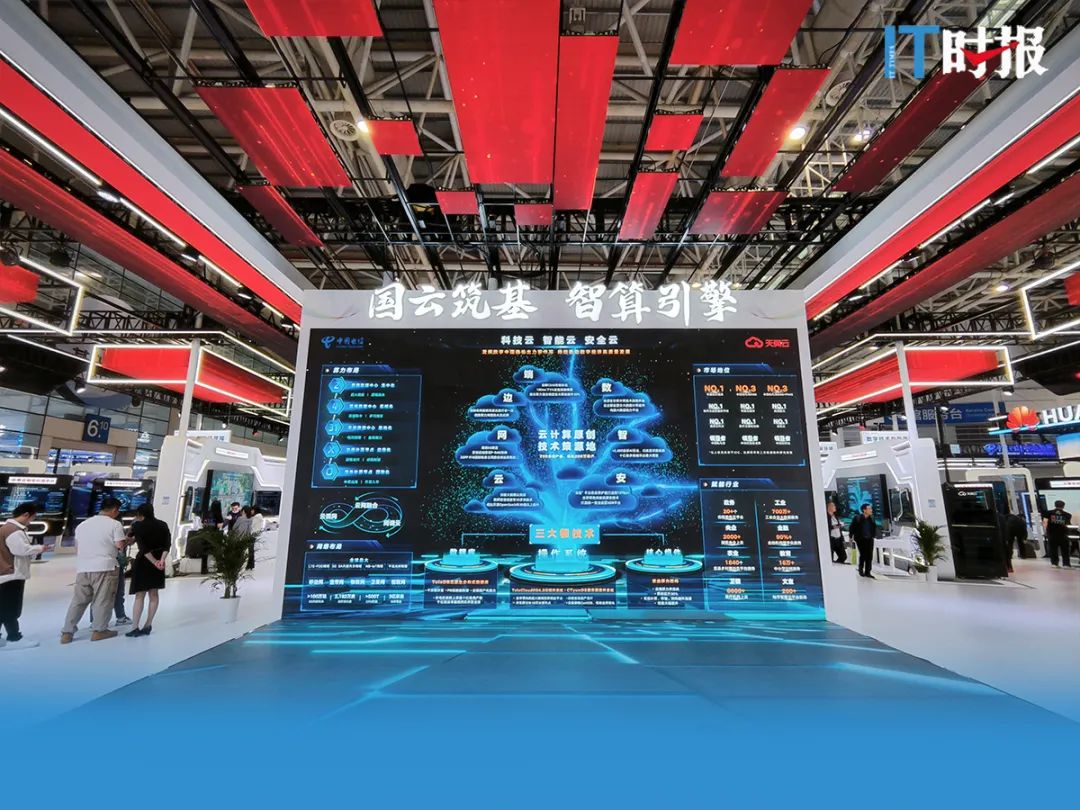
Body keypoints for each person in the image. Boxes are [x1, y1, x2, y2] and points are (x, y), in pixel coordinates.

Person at [62, 497, 127, 643]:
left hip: (83, 567)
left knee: (78, 601)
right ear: (115, 510)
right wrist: (126, 540)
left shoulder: (83, 525)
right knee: (103, 600)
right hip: (105, 567)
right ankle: (99, 630)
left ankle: (67, 632)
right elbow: (119, 545)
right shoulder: (115, 524)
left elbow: (77, 548)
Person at [0, 502, 49, 650]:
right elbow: (20, 550)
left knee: (3, 607)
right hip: (12, 574)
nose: (31, 521)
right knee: (11, 609)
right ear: (26, 515)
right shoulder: (14, 531)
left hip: (5, 573)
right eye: (32, 518)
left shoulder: (6, 528)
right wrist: (40, 548)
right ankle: (14, 638)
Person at [126, 503, 171, 638]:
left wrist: (154, 562)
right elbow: (167, 544)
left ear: (140, 514)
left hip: (144, 561)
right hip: (159, 561)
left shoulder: (137, 526)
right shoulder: (163, 524)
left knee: (140, 595)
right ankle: (148, 624)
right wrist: (161, 560)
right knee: (154, 594)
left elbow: (141, 547)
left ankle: (135, 627)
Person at [849, 503, 878, 579]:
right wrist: (851, 536)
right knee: (863, 555)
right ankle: (861, 570)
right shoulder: (857, 518)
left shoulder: (872, 518)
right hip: (860, 539)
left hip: (870, 539)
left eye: (871, 508)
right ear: (864, 510)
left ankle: (868, 572)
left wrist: (874, 535)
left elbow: (874, 527)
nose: (871, 510)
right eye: (869, 509)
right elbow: (852, 527)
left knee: (870, 555)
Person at [1042, 500, 1072, 568]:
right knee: (1065, 550)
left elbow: (1045, 523)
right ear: (1063, 506)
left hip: (1052, 535)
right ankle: (1066, 564)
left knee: (1053, 550)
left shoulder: (1048, 513)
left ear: (1055, 505)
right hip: (1063, 535)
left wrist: (1047, 531)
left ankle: (1054, 563)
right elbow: (1068, 525)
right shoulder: (1067, 515)